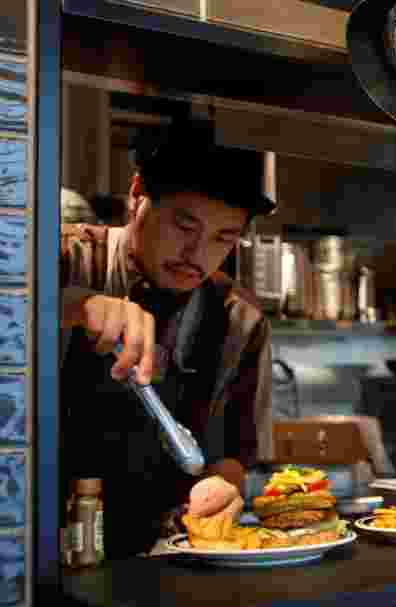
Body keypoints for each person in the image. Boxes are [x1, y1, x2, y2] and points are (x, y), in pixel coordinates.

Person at [60, 120, 276, 558]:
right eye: (184, 226)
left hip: (161, 558)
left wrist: (223, 486)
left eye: (224, 237)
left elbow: (234, 450)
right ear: (137, 194)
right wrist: (72, 306)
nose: (197, 255)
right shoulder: (60, 259)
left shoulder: (240, 320)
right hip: (36, 551)